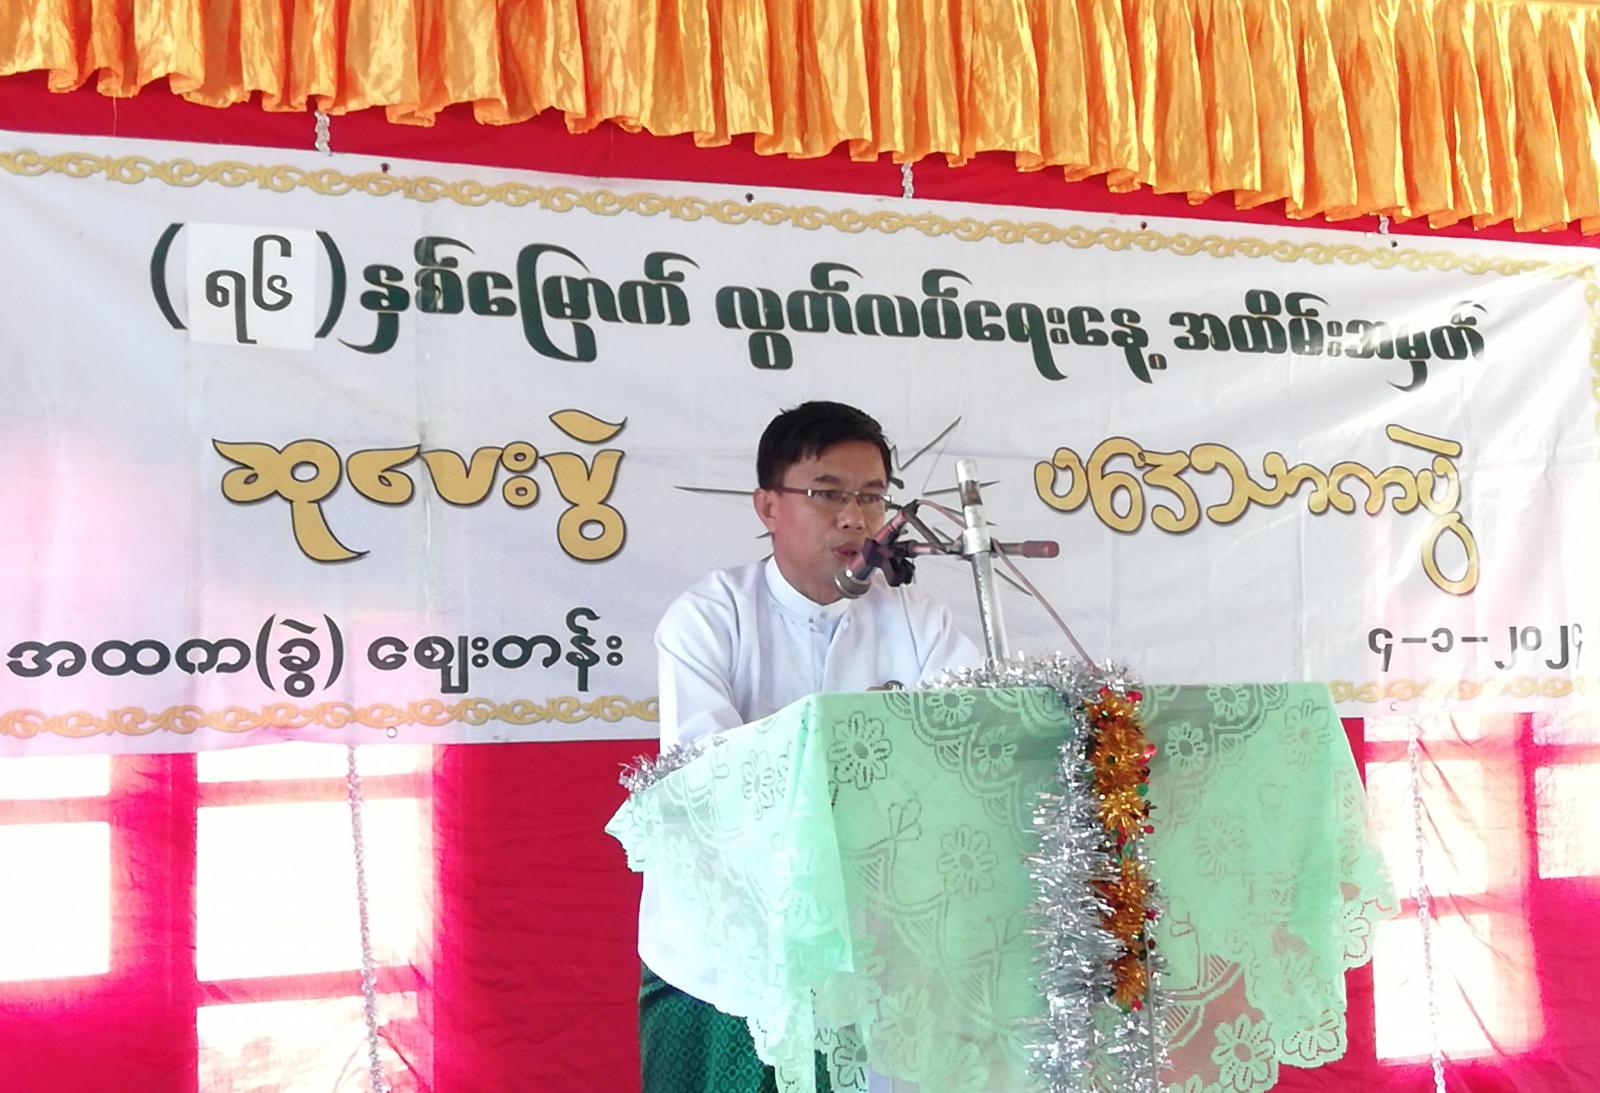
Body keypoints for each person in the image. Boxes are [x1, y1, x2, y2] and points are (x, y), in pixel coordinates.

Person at [638, 400, 981, 1092]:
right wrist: (863, 747)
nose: (854, 517)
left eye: (872, 496)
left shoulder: (918, 619)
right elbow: (712, 782)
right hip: (732, 944)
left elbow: (969, 750)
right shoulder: (709, 618)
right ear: (768, 505)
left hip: (880, 941)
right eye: (828, 494)